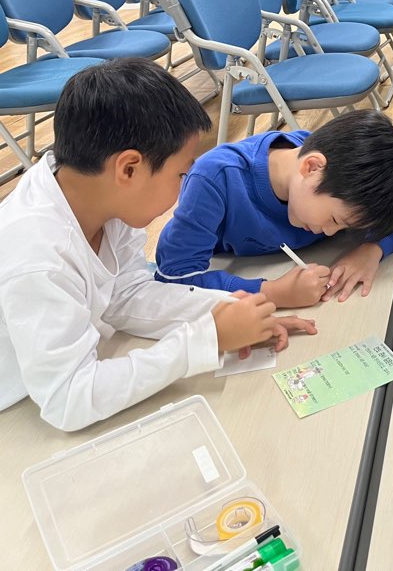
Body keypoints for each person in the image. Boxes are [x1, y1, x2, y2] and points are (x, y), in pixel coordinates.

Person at [0, 59, 315, 432]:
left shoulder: (101, 198)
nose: (184, 186)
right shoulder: (38, 254)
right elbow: (69, 399)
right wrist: (204, 340)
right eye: (181, 173)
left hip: (49, 375)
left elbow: (127, 295)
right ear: (129, 169)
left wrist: (227, 313)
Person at [156, 110, 393, 306]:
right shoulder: (215, 179)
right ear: (311, 168)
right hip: (232, 279)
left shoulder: (333, 167)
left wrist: (372, 250)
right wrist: (273, 293)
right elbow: (175, 279)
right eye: (334, 219)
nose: (330, 232)